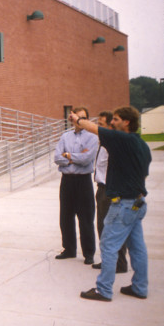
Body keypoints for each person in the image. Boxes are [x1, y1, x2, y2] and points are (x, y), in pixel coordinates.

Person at [72, 106, 152, 301]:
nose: (112, 123)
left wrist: (78, 120)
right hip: (137, 204)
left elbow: (95, 129)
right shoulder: (142, 145)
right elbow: (144, 173)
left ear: (127, 122)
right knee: (137, 247)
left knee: (108, 245)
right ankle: (140, 287)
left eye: (116, 119)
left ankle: (104, 290)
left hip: (123, 205)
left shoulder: (121, 139)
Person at [54, 107, 99, 264]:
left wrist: (68, 156)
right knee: (65, 217)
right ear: (72, 119)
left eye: (83, 118)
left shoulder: (92, 137)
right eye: (77, 117)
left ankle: (88, 253)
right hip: (67, 181)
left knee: (85, 218)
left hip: (83, 181)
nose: (80, 121)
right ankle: (69, 249)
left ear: (88, 119)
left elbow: (87, 159)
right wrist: (75, 158)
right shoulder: (65, 136)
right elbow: (57, 157)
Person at [92, 111, 128, 273]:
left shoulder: (111, 145)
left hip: (109, 190)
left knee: (109, 228)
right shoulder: (103, 144)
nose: (99, 127)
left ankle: (117, 263)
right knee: (104, 228)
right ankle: (112, 261)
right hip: (102, 189)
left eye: (102, 124)